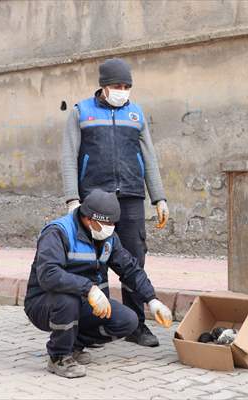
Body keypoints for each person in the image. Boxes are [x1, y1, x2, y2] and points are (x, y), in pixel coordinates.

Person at [61, 57, 169, 347]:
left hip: (131, 196)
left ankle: (136, 325)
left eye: (126, 86)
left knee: (134, 259)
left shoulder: (136, 114)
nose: (123, 90)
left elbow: (149, 157)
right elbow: (68, 157)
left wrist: (159, 198)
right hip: (94, 198)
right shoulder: (81, 112)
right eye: (117, 85)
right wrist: (73, 198)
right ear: (103, 86)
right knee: (93, 261)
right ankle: (99, 322)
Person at [24, 189, 173, 378]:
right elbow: (49, 274)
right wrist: (88, 288)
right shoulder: (57, 232)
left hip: (84, 299)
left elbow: (130, 269)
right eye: (106, 222)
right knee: (67, 300)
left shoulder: (107, 237)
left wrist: (152, 300)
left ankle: (73, 346)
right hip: (45, 302)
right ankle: (59, 356)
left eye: (113, 223)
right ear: (88, 218)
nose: (110, 227)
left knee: (128, 321)